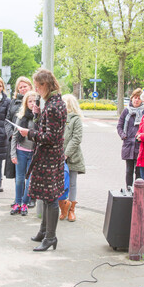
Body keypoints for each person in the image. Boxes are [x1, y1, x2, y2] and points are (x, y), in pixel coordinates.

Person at [18, 68, 67, 252]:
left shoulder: (54, 106)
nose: (36, 90)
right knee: (48, 197)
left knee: (50, 197)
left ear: (45, 85)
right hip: (50, 156)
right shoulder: (54, 102)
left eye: (37, 86)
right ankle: (44, 231)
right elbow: (48, 129)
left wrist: (28, 133)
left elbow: (50, 137)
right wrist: (38, 114)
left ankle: (50, 237)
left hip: (49, 157)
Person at [10, 90, 37, 216]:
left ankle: (25, 204)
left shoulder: (39, 118)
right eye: (29, 101)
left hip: (33, 154)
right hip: (21, 152)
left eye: (34, 101)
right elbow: (14, 136)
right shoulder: (21, 117)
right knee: (19, 179)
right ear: (26, 103)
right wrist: (13, 154)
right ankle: (17, 203)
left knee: (30, 181)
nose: (32, 104)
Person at [61, 94, 86, 222]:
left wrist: (66, 153)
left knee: (72, 183)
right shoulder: (58, 118)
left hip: (73, 157)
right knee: (60, 183)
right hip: (58, 156)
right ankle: (63, 208)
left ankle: (71, 210)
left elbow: (76, 138)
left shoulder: (76, 119)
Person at [4, 77, 34, 182]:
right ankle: (19, 197)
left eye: (25, 86)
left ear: (30, 86)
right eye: (20, 87)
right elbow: (7, 120)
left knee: (30, 173)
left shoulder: (34, 100)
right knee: (18, 174)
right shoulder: (14, 102)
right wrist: (11, 134)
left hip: (30, 142)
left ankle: (28, 197)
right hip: (16, 140)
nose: (22, 89)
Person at [117, 88, 144, 188]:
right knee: (129, 170)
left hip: (140, 145)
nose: (136, 100)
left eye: (139, 98)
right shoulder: (126, 111)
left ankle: (138, 191)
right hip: (128, 145)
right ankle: (128, 188)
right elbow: (119, 125)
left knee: (139, 171)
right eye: (134, 98)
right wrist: (123, 135)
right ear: (131, 98)